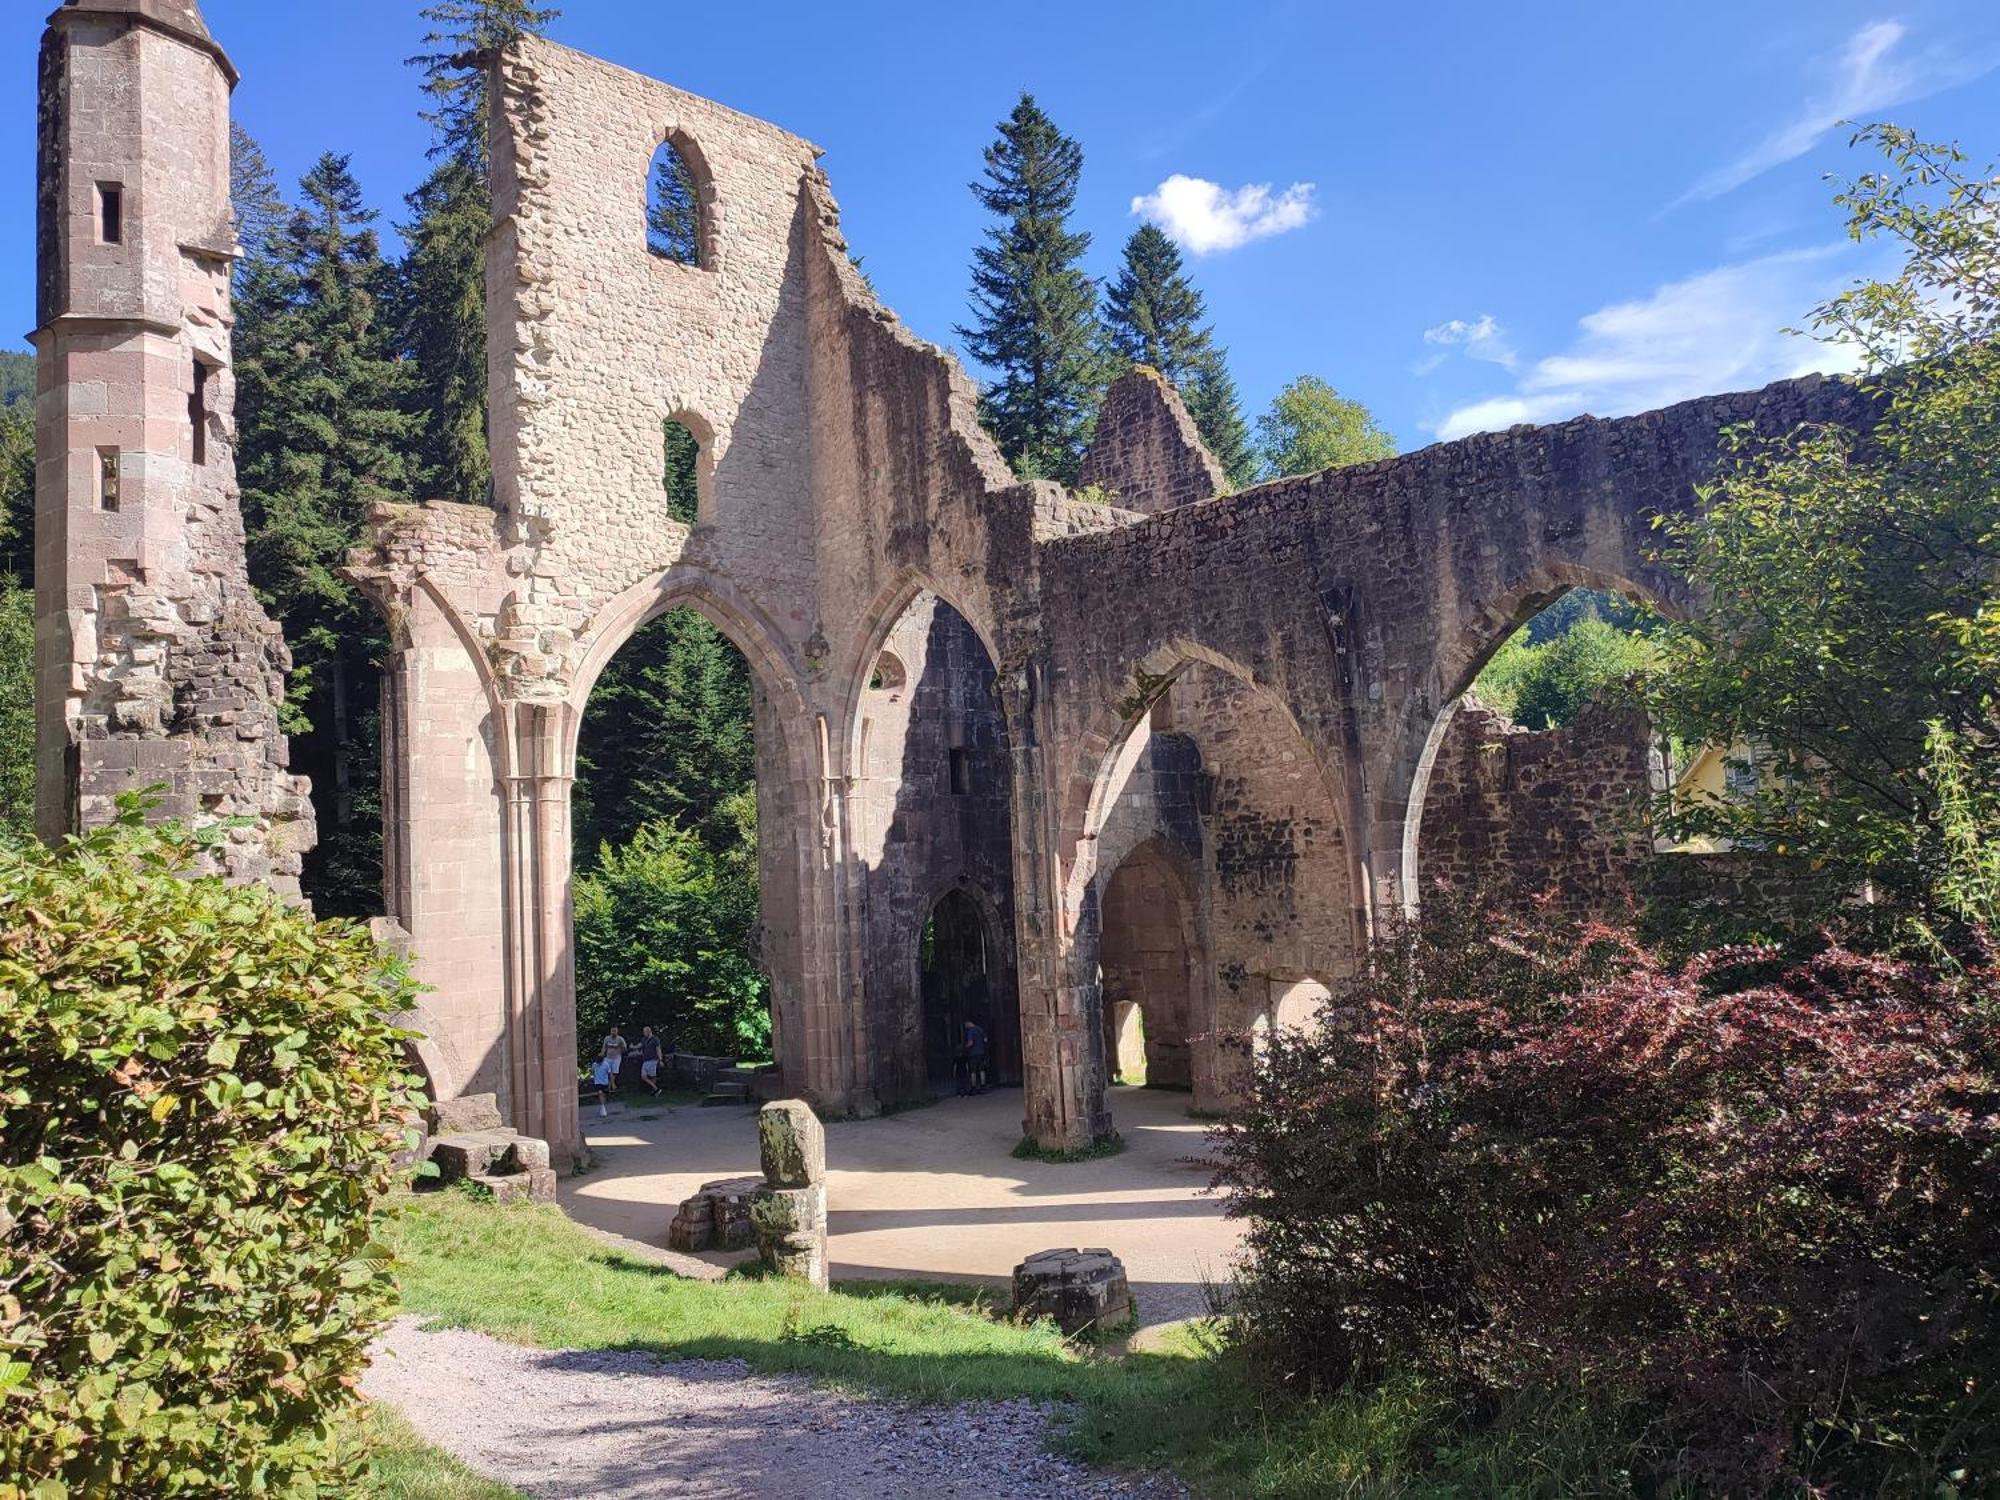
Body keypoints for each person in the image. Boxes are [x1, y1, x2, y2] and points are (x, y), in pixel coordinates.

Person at [593, 1027, 627, 1117]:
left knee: (614, 1071)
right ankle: (609, 1084)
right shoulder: (607, 1039)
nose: (613, 1032)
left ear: (617, 1031)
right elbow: (604, 1047)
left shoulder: (620, 1039)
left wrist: (620, 1048)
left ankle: (612, 1084)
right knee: (607, 1071)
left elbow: (624, 1048)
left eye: (615, 1031)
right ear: (610, 1031)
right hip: (608, 1057)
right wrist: (601, 1054)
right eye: (612, 1031)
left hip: (616, 1057)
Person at [962, 1017, 989, 1097]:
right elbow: (986, 1040)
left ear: (968, 1023)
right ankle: (983, 1086)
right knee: (981, 1069)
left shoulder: (971, 1031)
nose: (965, 1026)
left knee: (973, 1070)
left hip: (973, 1053)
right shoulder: (981, 1029)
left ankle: (973, 1087)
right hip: (981, 1052)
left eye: (965, 1025)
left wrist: (965, 1048)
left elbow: (970, 1042)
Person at [637, 1025, 664, 1096]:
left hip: (653, 1060)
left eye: (644, 1032)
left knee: (653, 1076)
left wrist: (660, 1059)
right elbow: (639, 1046)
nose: (643, 1033)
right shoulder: (643, 1039)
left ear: (649, 1031)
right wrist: (633, 1047)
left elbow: (658, 1049)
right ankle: (656, 1089)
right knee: (643, 1076)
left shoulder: (655, 1039)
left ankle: (654, 1091)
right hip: (645, 1060)